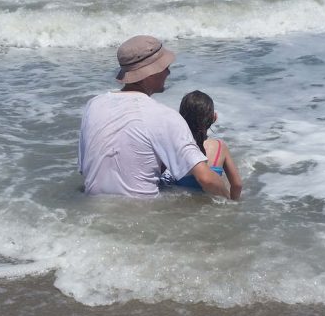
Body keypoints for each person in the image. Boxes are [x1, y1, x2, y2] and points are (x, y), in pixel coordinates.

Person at [78, 35, 230, 199]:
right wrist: (233, 206)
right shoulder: (165, 117)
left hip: (92, 210)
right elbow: (206, 179)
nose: (169, 72)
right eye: (165, 67)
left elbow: (85, 170)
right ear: (150, 74)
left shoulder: (93, 106)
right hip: (142, 216)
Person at [174, 90, 243, 200]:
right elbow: (237, 185)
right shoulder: (220, 146)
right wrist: (234, 205)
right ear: (214, 117)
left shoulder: (176, 145)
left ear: (181, 118)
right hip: (212, 206)